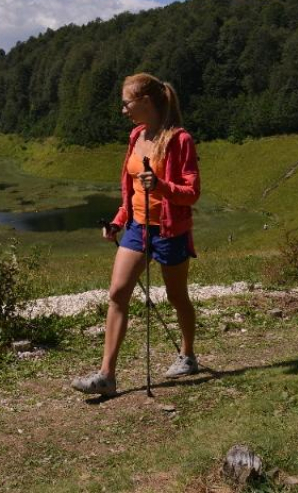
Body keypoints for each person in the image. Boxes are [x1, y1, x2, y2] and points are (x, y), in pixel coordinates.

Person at [71, 73, 201, 396]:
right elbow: (129, 190)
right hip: (138, 228)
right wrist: (118, 220)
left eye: (127, 103)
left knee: (176, 296)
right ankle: (107, 376)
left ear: (146, 101)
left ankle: (187, 355)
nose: (124, 110)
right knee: (117, 292)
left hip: (170, 230)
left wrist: (161, 186)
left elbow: (192, 191)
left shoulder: (179, 139)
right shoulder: (135, 137)